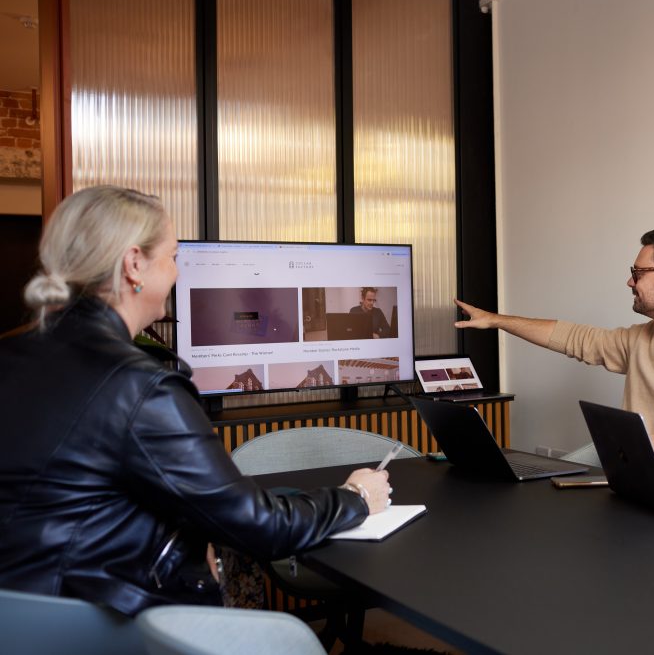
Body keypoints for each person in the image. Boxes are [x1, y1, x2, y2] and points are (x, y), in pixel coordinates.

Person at [0, 186, 391, 615]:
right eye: (173, 257)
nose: (177, 273)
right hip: (100, 626)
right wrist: (354, 497)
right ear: (134, 264)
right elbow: (260, 526)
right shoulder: (139, 384)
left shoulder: (14, 355)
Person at [455, 228, 654, 470]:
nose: (630, 282)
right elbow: (572, 337)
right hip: (630, 480)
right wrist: (495, 320)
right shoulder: (640, 339)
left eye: (637, 273)